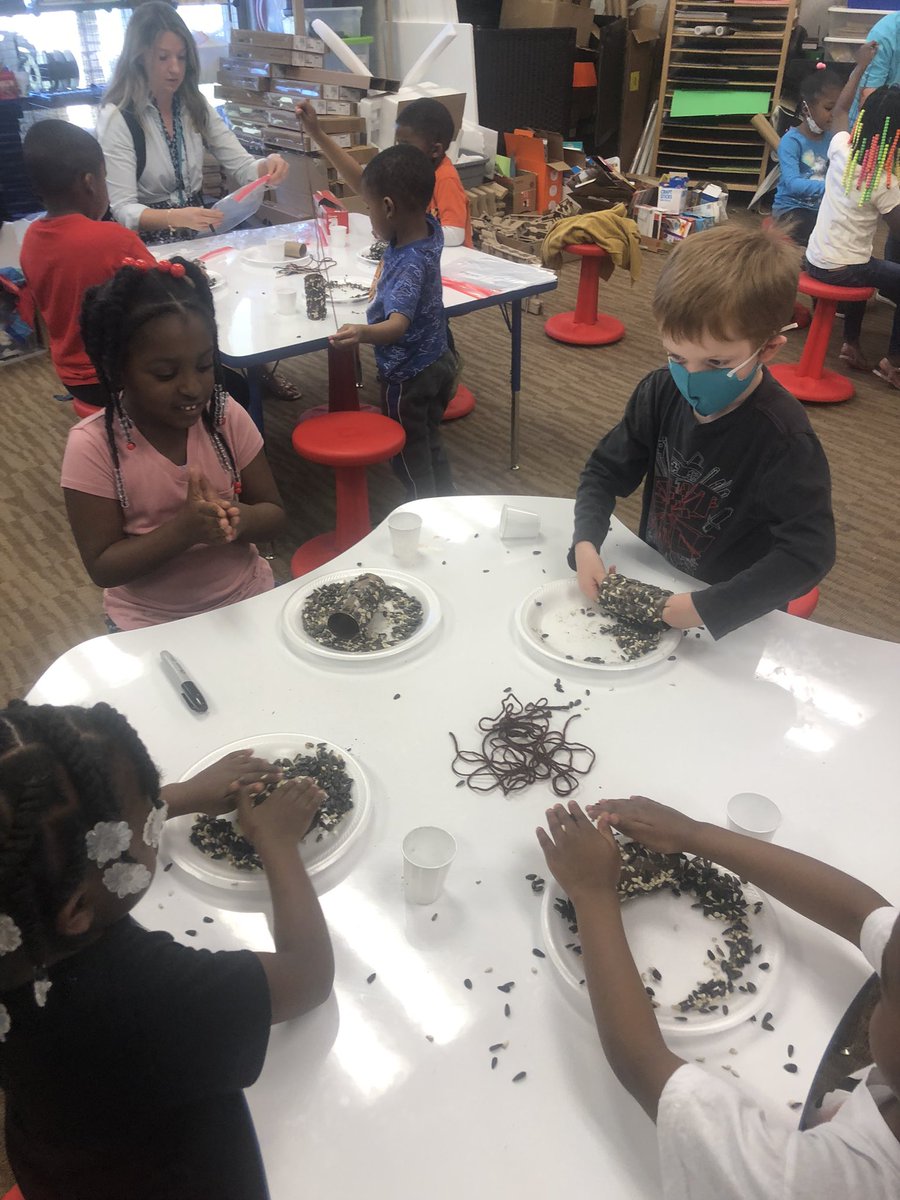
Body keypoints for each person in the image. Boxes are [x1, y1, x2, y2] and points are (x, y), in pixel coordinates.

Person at [0, 699, 334, 1199]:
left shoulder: (21, 937)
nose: (156, 817)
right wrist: (277, 841)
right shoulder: (141, 999)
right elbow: (308, 978)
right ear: (77, 909)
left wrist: (174, 798)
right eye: (147, 821)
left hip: (57, 1162)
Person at [536, 794, 900, 1200]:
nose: (878, 989)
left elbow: (641, 1063)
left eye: (883, 991)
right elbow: (862, 911)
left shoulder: (817, 1184)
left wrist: (591, 892)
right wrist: (695, 834)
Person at [571, 222, 835, 641]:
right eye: (677, 356)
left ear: (767, 348)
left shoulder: (783, 439)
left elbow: (808, 554)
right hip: (662, 577)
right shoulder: (659, 390)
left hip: (731, 615)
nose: (690, 379)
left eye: (715, 364)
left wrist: (703, 609)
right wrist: (586, 543)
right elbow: (604, 471)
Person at [61, 257, 285, 630]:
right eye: (165, 374)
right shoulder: (93, 447)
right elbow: (102, 566)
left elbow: (275, 513)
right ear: (118, 370)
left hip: (246, 597)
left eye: (203, 365)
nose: (192, 387)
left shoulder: (224, 415)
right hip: (149, 622)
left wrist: (240, 520)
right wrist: (184, 531)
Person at [97, 1, 287, 243]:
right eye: (163, 57)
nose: (175, 69)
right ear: (139, 57)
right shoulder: (118, 117)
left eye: (182, 57)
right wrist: (172, 217)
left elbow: (242, 166)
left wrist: (267, 168)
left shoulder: (194, 105)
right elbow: (123, 209)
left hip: (198, 238)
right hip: (146, 247)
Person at [329, 144, 458, 500]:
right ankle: (447, 501)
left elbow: (398, 325)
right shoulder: (429, 227)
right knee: (430, 441)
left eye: (369, 208)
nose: (368, 214)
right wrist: (318, 133)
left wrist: (362, 333)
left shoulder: (408, 263)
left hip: (409, 375)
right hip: (439, 359)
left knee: (410, 456)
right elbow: (367, 183)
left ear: (388, 207)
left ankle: (426, 514)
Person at [19, 120, 155, 409]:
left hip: (73, 378)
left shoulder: (30, 239)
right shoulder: (113, 238)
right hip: (120, 375)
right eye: (105, 178)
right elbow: (164, 290)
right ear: (90, 182)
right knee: (229, 387)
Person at [805, 45, 900, 385]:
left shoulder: (841, 146)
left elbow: (842, 107)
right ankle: (894, 362)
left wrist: (860, 66)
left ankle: (852, 344)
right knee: (874, 268)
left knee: (867, 261)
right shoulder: (885, 180)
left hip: (815, 258)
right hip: (845, 269)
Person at [297, 95, 472, 247]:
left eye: (406, 144)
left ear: (435, 151)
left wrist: (402, 229)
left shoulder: (445, 177)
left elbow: (455, 235)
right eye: (398, 143)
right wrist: (316, 133)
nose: (399, 150)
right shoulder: (406, 172)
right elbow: (366, 185)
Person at [772, 66, 843, 247]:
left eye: (838, 109)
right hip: (792, 209)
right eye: (828, 108)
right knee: (814, 231)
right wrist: (830, 186)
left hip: (821, 207)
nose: (833, 115)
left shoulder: (833, 138)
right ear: (806, 108)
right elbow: (792, 183)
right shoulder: (791, 141)